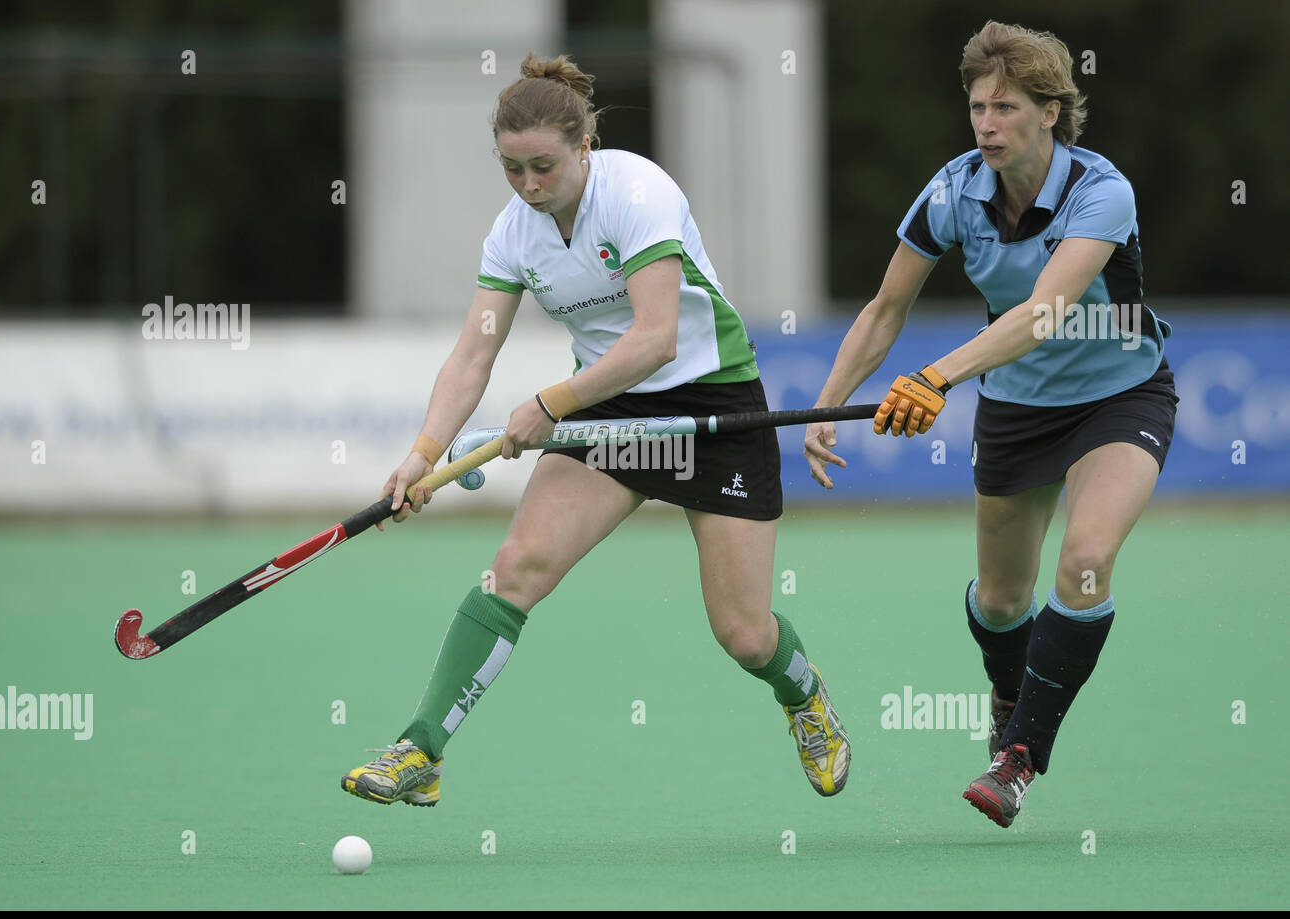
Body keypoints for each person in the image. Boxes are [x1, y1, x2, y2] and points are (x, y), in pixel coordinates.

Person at [340, 53, 850, 808]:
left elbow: (655, 339)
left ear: (584, 147)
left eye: (543, 167)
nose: (529, 186)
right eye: (512, 169)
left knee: (744, 634)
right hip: (611, 415)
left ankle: (804, 697)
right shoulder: (514, 232)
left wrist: (549, 404)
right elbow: (473, 354)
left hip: (711, 405)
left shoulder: (638, 192)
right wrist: (420, 455)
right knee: (515, 569)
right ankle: (423, 748)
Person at [804, 21, 1178, 828]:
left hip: (1121, 395)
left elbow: (1045, 311)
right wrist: (832, 404)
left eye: (1005, 107)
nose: (985, 123)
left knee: (1083, 563)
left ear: (1051, 112)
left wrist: (938, 375)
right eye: (977, 106)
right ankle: (1011, 692)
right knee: (1004, 604)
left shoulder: (1100, 189)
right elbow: (884, 309)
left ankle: (1018, 757)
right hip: (1017, 407)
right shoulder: (951, 192)